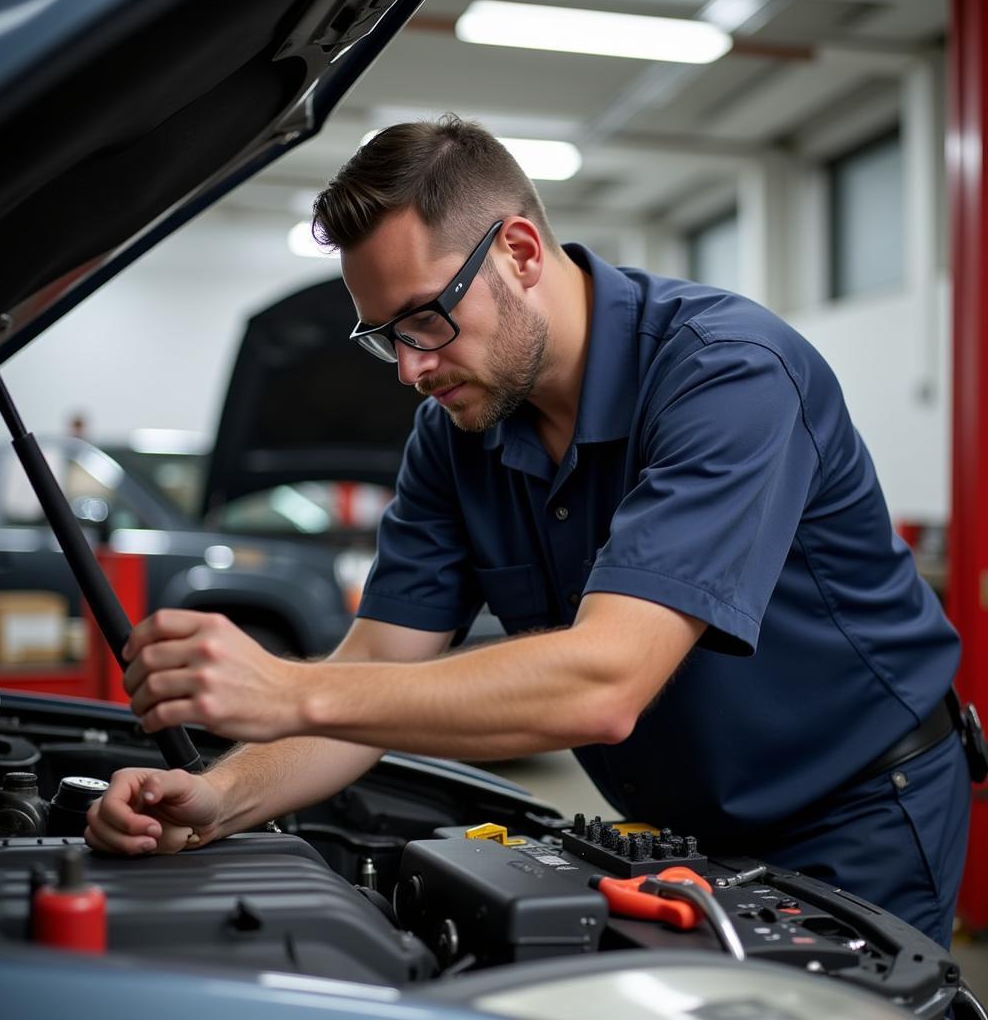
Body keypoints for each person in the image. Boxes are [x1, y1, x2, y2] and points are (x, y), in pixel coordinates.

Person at [86, 115, 972, 948]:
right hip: (685, 833)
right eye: (382, 337)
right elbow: (375, 673)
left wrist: (286, 688)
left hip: (857, 811)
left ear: (516, 250)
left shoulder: (728, 375)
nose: (410, 368)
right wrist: (214, 795)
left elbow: (604, 683)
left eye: (428, 319)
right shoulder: (454, 434)